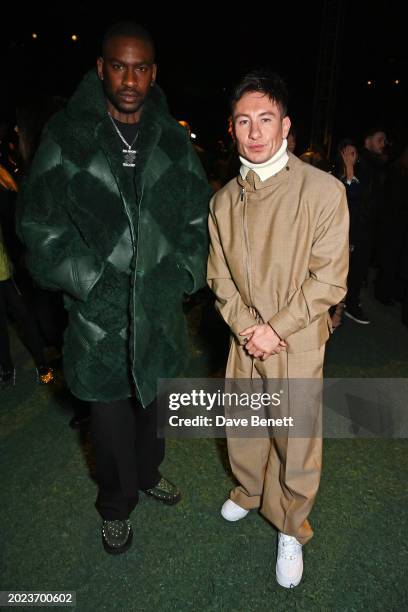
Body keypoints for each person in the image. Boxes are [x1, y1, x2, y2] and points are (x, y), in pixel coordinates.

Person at [17, 21, 211, 554]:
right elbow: (38, 225)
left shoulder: (171, 137)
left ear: (154, 72)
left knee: (154, 412)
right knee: (108, 425)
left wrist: (181, 275)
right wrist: (93, 282)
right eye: (119, 66)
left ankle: (147, 476)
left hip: (159, 312)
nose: (130, 78)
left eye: (141, 67)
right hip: (97, 317)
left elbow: (200, 220)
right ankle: (115, 504)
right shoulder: (68, 133)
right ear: (101, 68)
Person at [207, 70, 349, 588]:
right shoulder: (222, 202)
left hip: (299, 341)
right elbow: (219, 276)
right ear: (232, 129)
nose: (255, 131)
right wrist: (249, 328)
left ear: (285, 125)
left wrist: (276, 328)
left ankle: (289, 523)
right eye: (244, 121)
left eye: (265, 119)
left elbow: (329, 279)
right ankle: (248, 492)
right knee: (244, 429)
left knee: (296, 438)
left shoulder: (324, 190)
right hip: (245, 340)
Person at [333, 139, 371, 325]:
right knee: (339, 272)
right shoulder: (332, 173)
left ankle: (343, 309)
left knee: (349, 272)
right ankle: (335, 311)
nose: (352, 157)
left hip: (354, 231)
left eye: (354, 154)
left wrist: (350, 170)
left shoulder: (361, 174)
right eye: (348, 153)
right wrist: (348, 169)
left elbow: (356, 194)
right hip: (336, 232)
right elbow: (347, 193)